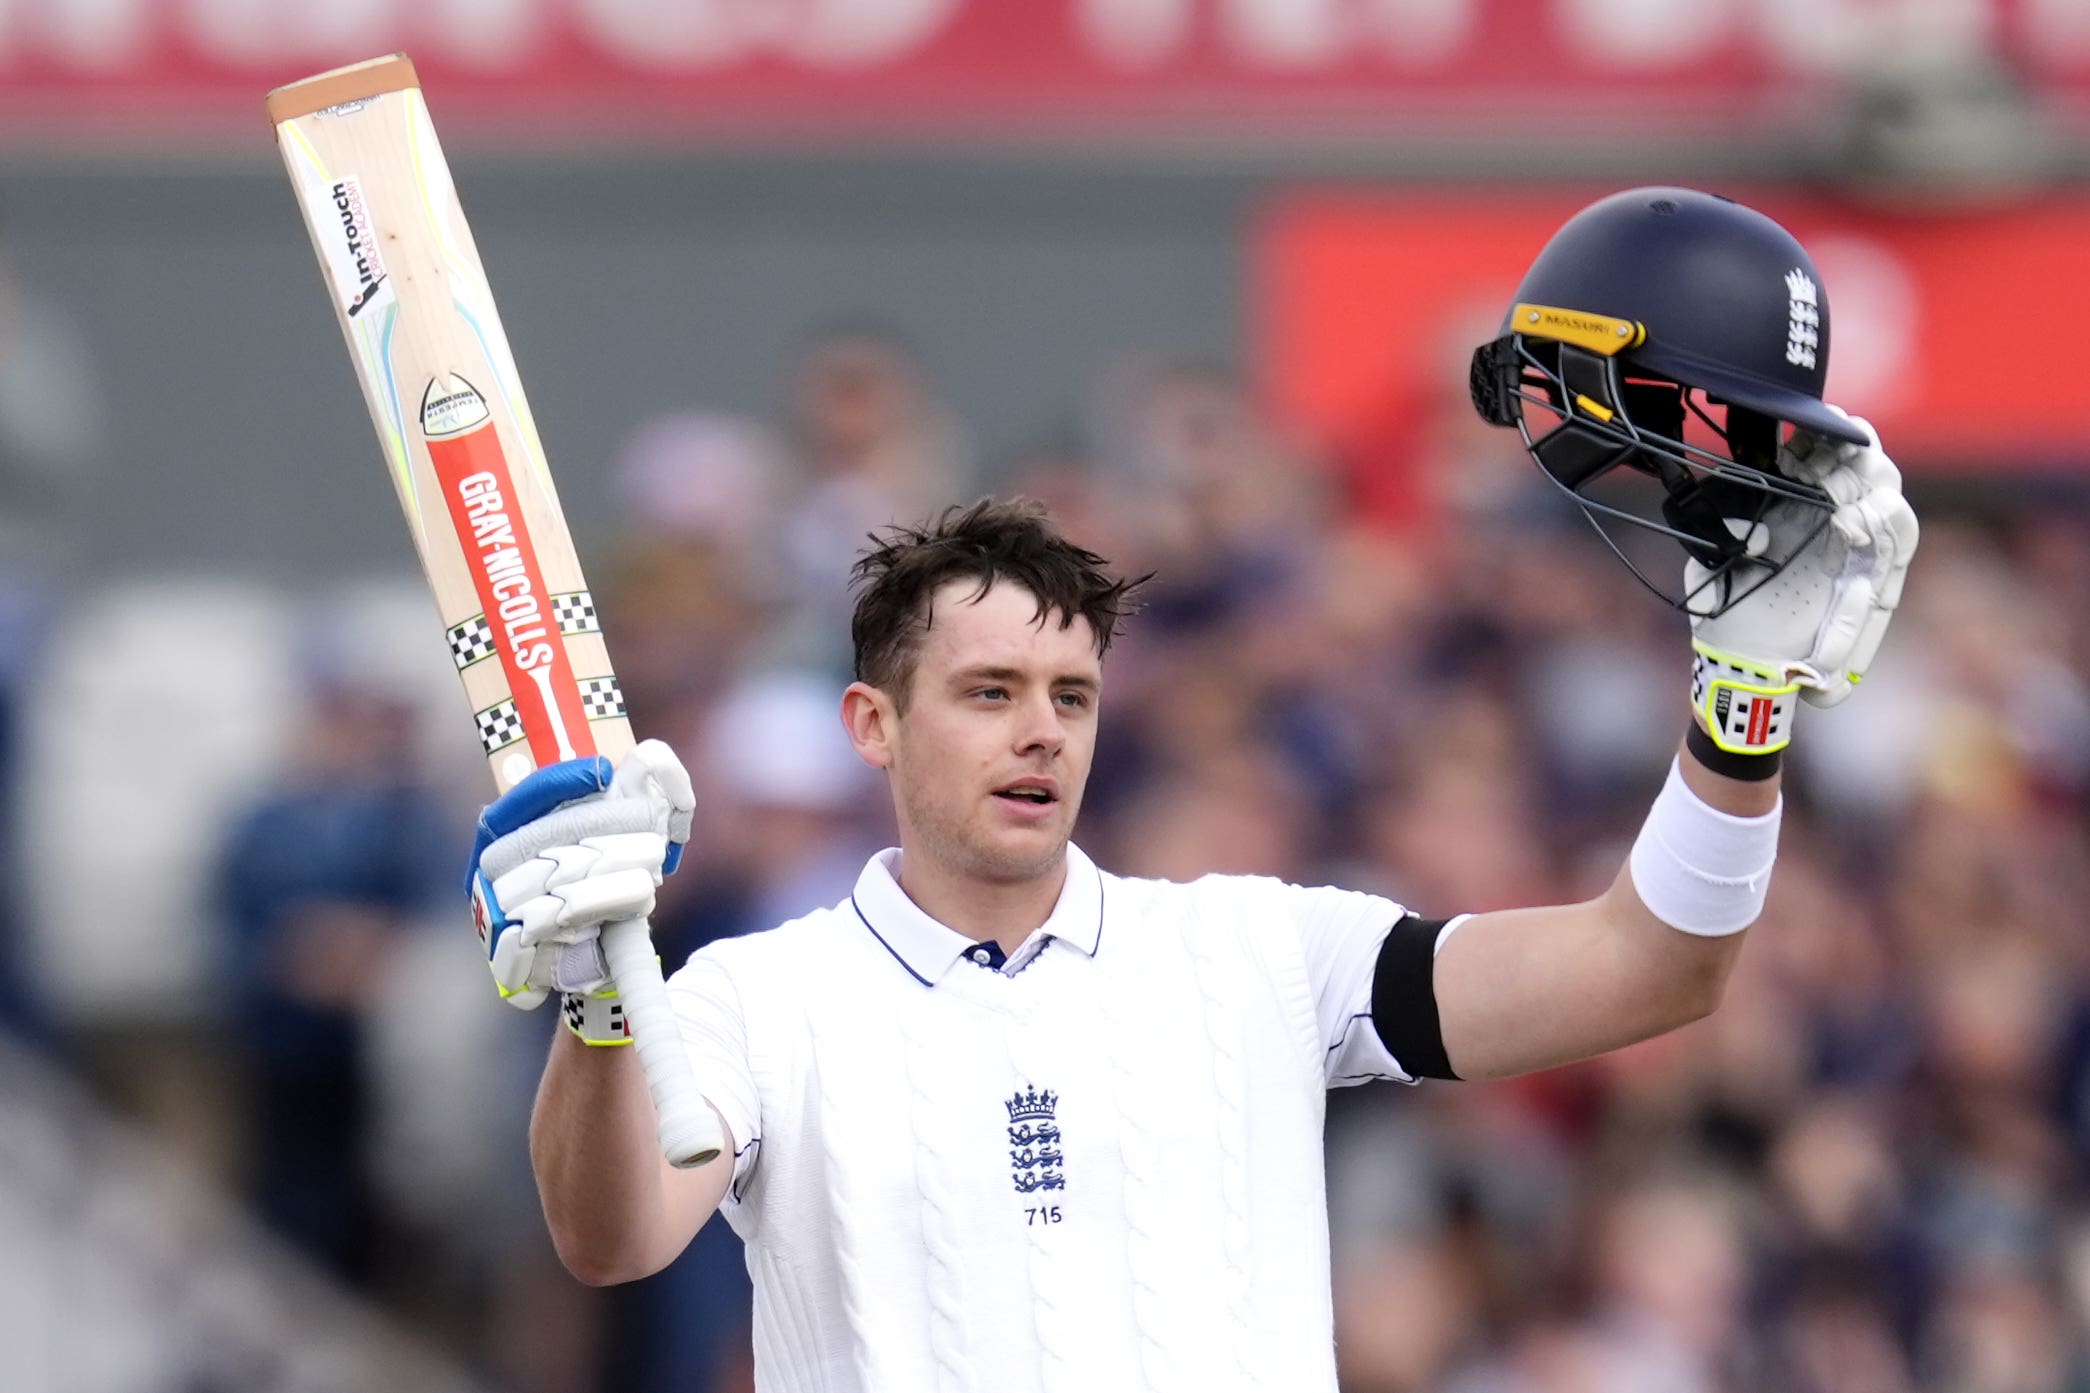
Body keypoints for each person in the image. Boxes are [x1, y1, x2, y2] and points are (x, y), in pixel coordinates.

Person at [464, 187, 1918, 1390]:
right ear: (871, 725)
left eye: (1071, 696)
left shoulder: (1260, 955)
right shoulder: (753, 998)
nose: (1039, 733)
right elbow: (609, 1235)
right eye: (986, 693)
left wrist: (1739, 715)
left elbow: (1647, 968)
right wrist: (602, 999)